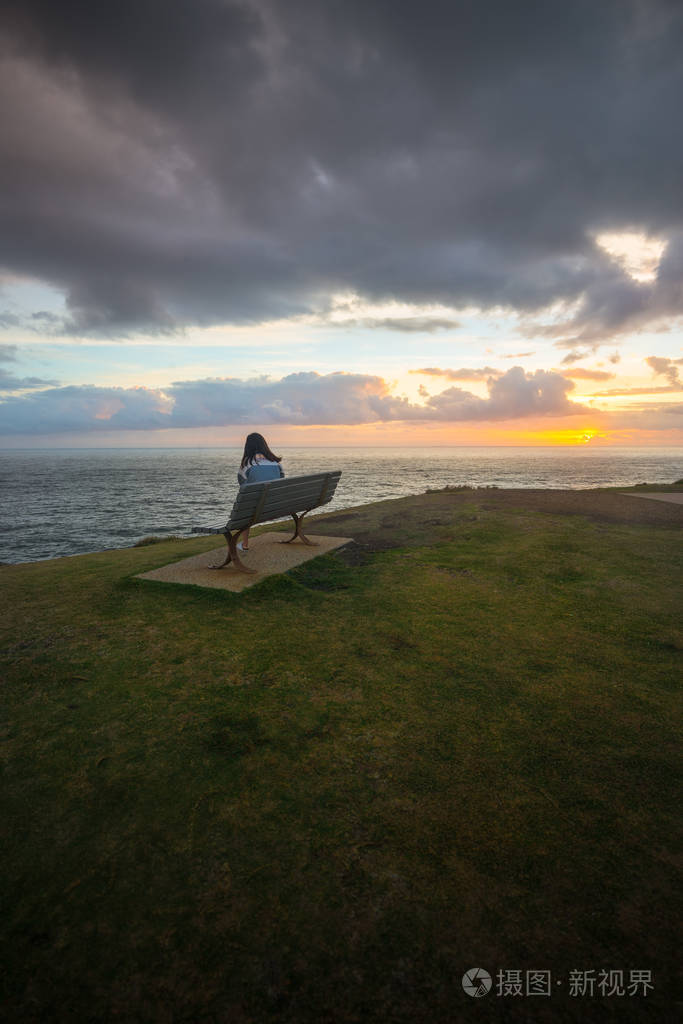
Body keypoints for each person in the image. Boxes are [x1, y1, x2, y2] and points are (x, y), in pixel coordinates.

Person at [236, 432, 284, 550]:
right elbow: (282, 480)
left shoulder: (247, 463)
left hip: (255, 508)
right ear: (264, 445)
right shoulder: (276, 463)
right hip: (274, 506)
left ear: (248, 446)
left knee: (245, 508)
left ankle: (245, 544)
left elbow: (242, 484)